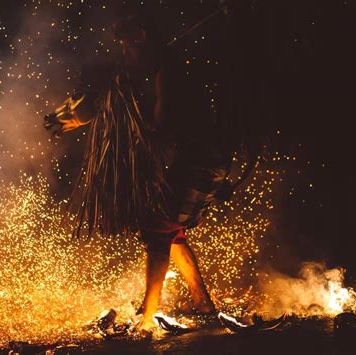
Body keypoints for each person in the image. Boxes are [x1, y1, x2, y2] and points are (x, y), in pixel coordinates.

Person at [44, 14, 239, 333]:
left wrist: (132, 134)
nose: (124, 54)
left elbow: (161, 127)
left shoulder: (169, 73)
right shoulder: (146, 73)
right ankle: (203, 304)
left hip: (204, 158)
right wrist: (73, 117)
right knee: (172, 232)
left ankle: (147, 318)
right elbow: (94, 109)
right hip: (196, 158)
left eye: (130, 47)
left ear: (145, 42)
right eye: (121, 47)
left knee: (159, 227)